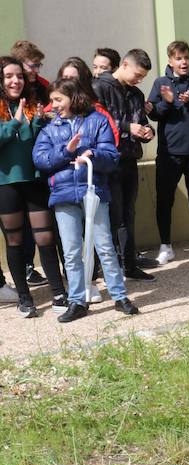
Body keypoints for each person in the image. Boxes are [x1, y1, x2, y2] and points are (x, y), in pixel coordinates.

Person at [33, 78, 140, 323]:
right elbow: (40, 159)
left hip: (93, 191)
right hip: (63, 194)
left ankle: (119, 296)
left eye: (58, 99)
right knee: (71, 251)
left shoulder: (98, 120)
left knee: (104, 245)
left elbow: (111, 155)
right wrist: (67, 151)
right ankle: (78, 301)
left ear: (73, 97)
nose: (53, 105)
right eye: (52, 100)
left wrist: (92, 153)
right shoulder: (50, 128)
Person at [0, 57, 67, 318]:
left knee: (45, 237)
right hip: (6, 184)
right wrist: (15, 123)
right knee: (15, 241)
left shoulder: (31, 106)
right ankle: (25, 298)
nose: (15, 80)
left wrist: (38, 122)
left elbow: (38, 144)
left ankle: (59, 292)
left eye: (18, 75)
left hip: (35, 181)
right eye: (8, 76)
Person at [148, 40, 189, 265]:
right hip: (169, 154)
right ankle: (166, 246)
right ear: (170, 61)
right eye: (178, 58)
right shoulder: (160, 83)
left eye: (186, 57)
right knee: (164, 200)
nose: (184, 62)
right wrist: (168, 102)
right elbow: (154, 114)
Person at [93, 48, 157, 281]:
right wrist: (126, 127)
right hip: (108, 162)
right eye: (137, 75)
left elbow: (142, 122)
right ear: (125, 65)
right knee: (112, 216)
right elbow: (96, 121)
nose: (139, 80)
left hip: (130, 159)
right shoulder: (99, 87)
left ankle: (129, 265)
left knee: (128, 214)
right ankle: (109, 269)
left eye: (143, 77)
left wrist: (148, 132)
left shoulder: (137, 94)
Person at [10, 40, 50, 287]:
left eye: (38, 65)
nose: (36, 70)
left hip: (38, 162)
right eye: (32, 65)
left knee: (39, 223)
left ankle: (36, 268)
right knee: (18, 227)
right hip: (13, 168)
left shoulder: (42, 86)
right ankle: (24, 268)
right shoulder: (9, 92)